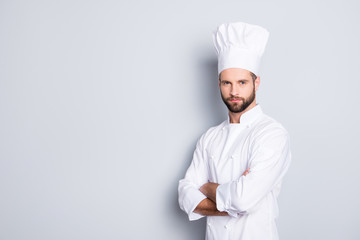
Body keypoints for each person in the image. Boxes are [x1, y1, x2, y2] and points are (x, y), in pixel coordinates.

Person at [178, 22, 291, 240]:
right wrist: (233, 202)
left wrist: (207, 187)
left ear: (256, 83)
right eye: (227, 83)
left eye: (242, 82)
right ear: (219, 84)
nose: (234, 91)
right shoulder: (209, 137)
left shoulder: (272, 134)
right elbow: (185, 194)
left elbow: (243, 199)